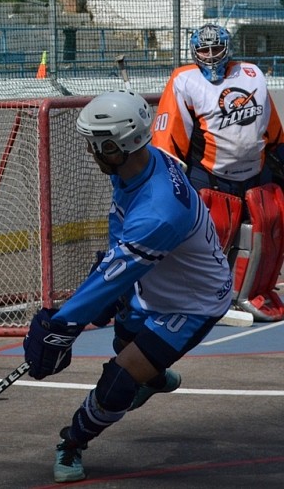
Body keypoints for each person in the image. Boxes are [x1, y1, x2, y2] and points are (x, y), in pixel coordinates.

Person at [23, 90, 232, 483]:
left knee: (120, 379)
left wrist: (62, 325)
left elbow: (123, 261)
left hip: (193, 304)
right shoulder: (139, 166)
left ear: (115, 147)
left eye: (94, 145)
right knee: (125, 343)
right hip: (154, 281)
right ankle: (155, 376)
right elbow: (121, 232)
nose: (90, 152)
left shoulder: (159, 212)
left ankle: (72, 442)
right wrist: (109, 275)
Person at [151, 23, 284, 322]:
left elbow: (270, 126)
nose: (210, 55)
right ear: (194, 52)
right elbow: (168, 137)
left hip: (254, 174)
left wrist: (279, 153)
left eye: (216, 48)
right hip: (210, 177)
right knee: (210, 238)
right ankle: (198, 297)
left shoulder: (252, 74)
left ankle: (248, 293)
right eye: (204, 50)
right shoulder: (184, 80)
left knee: (268, 230)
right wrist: (168, 180)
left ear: (227, 48)